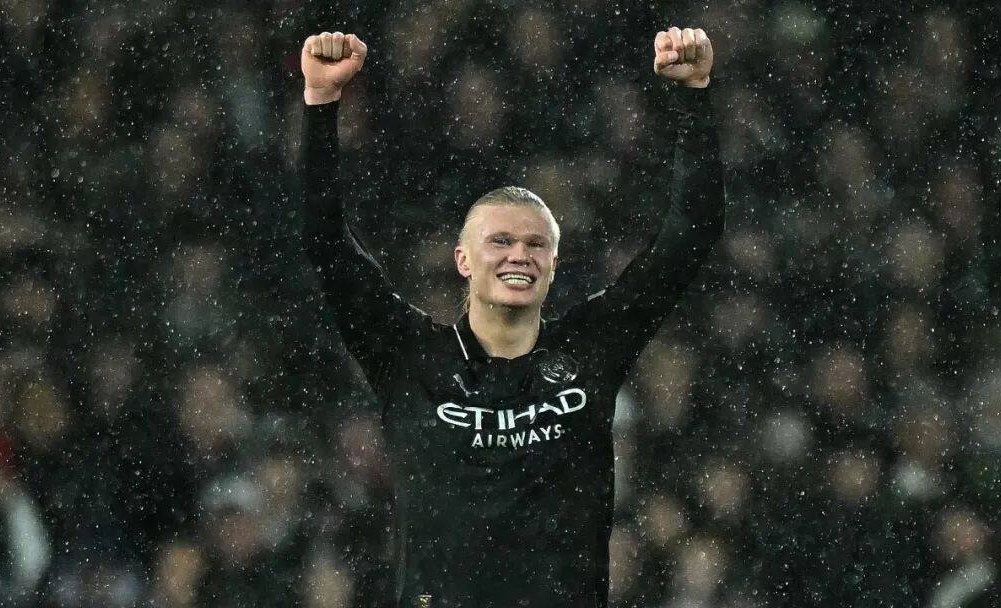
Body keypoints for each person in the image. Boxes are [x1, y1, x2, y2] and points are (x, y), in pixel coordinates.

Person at [299, 24, 725, 608]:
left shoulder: (590, 349)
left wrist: (695, 93)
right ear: (463, 260)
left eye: (535, 244)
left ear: (553, 264)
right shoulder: (411, 357)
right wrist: (320, 104)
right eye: (500, 241)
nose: (518, 255)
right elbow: (325, 242)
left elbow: (690, 236)